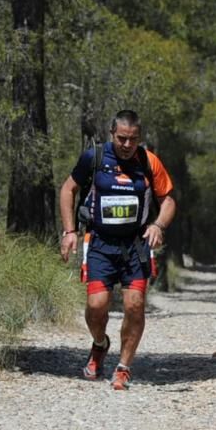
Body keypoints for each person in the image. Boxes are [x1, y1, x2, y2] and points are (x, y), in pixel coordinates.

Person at [59, 110, 176, 390]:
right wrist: (69, 231)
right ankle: (100, 344)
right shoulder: (95, 158)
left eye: (133, 140)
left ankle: (123, 367)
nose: (126, 145)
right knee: (96, 306)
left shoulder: (148, 161)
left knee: (134, 306)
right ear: (112, 134)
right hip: (100, 243)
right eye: (122, 138)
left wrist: (158, 225)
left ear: (139, 138)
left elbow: (168, 199)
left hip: (135, 246)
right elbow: (68, 189)